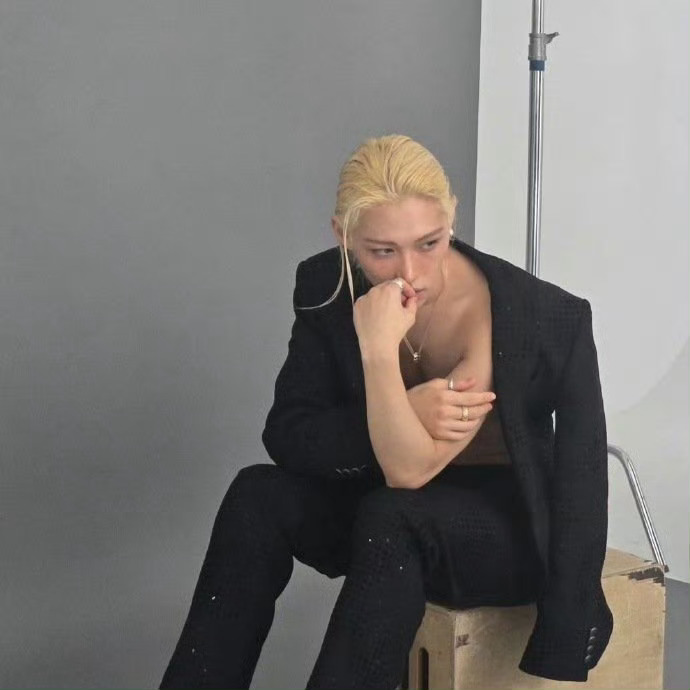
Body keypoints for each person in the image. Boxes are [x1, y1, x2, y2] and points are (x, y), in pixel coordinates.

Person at [159, 134, 613, 689]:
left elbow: (572, 476)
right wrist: (407, 400)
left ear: (452, 217)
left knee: (393, 514)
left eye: (430, 243)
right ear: (343, 236)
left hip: (499, 532)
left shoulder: (525, 317)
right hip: (387, 516)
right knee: (257, 495)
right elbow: (289, 433)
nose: (410, 272)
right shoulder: (326, 286)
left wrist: (376, 351)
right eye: (382, 252)